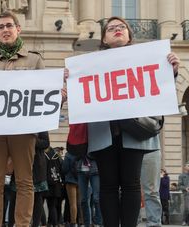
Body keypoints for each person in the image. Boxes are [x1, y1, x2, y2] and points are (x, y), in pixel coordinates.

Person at [65, 16, 180, 227]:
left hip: (134, 131)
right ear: (104, 39)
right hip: (103, 132)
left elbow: (159, 87)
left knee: (131, 184)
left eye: (121, 27)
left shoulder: (146, 58)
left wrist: (170, 72)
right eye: (111, 28)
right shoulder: (90, 64)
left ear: (129, 35)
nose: (117, 30)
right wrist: (70, 80)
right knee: (107, 186)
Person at [0, 10, 45, 227]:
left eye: (9, 26)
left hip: (24, 130)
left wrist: (58, 95)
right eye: (1, 27)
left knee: (25, 181)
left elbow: (43, 94)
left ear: (18, 29)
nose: (5, 30)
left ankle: (22, 225)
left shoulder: (35, 60)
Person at [140, 150, 162, 226]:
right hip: (124, 145)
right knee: (129, 189)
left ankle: (154, 224)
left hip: (150, 147)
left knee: (152, 191)